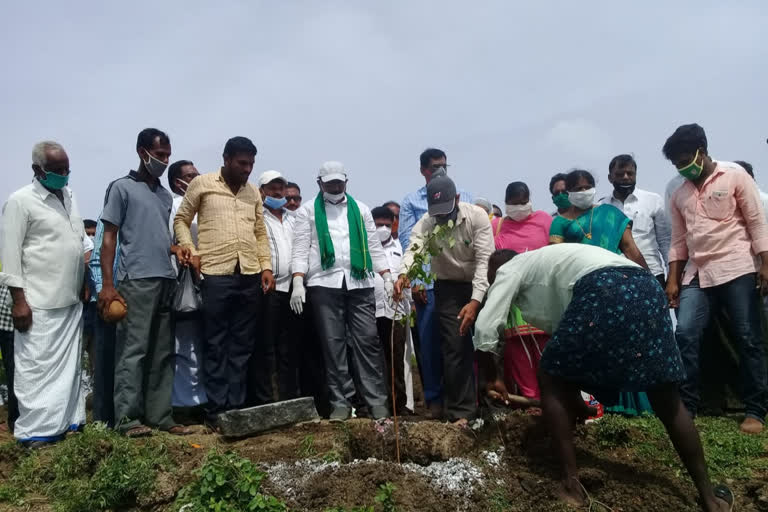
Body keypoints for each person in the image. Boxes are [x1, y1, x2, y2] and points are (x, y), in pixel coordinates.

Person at [474, 244, 734, 512]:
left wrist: (491, 375)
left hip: (603, 287)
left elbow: (485, 326)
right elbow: (571, 353)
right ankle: (709, 497)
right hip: (646, 287)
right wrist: (575, 400)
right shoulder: (552, 264)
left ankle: (571, 486)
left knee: (548, 376)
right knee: (666, 397)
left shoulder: (509, 269)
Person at [664, 123, 768, 434]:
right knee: (685, 333)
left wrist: (765, 264)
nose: (683, 167)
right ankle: (687, 407)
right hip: (697, 272)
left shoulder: (736, 176)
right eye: (677, 164)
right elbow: (678, 241)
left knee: (749, 337)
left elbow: (756, 221)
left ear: (702, 151)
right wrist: (673, 279)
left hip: (737, 266)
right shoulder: (679, 194)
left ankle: (755, 410)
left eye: (685, 159)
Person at [174, 137, 274, 428]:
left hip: (249, 273)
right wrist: (188, 249)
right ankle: (216, 410)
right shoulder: (203, 184)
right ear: (227, 159)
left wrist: (266, 266)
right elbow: (181, 219)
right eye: (242, 163)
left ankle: (237, 408)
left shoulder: (254, 192)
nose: (247, 169)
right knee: (216, 342)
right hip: (215, 273)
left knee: (242, 344)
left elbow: (259, 232)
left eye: (251, 164)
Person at [99, 128, 189, 437]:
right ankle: (128, 419)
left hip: (166, 277)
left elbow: (158, 236)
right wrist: (108, 285)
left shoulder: (165, 195)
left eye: (167, 155)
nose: (164, 161)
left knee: (162, 352)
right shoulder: (121, 188)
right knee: (133, 351)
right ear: (142, 152)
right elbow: (109, 237)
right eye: (160, 154)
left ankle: (160, 416)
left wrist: (175, 248)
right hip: (135, 279)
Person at [0, 141, 89, 447]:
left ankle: (68, 424)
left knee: (69, 371)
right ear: (37, 170)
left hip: (70, 299)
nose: (64, 175)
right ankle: (35, 432)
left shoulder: (69, 195)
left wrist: (86, 278)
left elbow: (78, 241)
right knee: (36, 370)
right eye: (57, 170)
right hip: (37, 302)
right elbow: (10, 256)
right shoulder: (20, 201)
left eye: (67, 169)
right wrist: (20, 301)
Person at [290, 161, 392, 421]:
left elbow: (373, 246)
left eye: (339, 182)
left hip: (359, 281)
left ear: (346, 181)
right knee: (332, 344)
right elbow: (301, 248)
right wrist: (298, 281)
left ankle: (376, 401)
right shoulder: (307, 212)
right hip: (324, 282)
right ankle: (341, 402)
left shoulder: (361, 210)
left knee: (367, 341)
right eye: (330, 182)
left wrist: (388, 276)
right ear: (320, 183)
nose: (335, 186)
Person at [395, 172, 494, 425]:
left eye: (446, 211)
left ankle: (493, 402)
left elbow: (485, 261)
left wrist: (475, 301)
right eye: (436, 212)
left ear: (457, 199)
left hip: (480, 283)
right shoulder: (427, 223)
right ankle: (461, 412)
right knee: (455, 346)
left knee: (489, 341)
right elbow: (413, 250)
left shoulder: (477, 217)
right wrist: (404, 274)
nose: (442, 217)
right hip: (448, 288)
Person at [550, 169, 651, 416]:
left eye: (588, 186)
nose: (584, 192)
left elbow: (630, 248)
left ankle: (632, 404)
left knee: (625, 342)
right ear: (569, 192)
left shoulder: (609, 213)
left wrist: (648, 280)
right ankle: (600, 403)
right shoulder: (559, 222)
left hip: (618, 283)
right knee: (595, 344)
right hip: (584, 289)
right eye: (578, 188)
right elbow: (557, 259)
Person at [399, 148, 472, 418]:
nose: (440, 170)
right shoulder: (411, 201)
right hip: (428, 283)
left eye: (444, 166)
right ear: (423, 171)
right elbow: (410, 242)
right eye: (434, 167)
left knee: (460, 343)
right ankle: (434, 400)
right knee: (429, 345)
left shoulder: (464, 197)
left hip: (457, 281)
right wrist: (416, 280)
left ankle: (462, 401)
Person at [491, 182, 552, 400]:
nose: (518, 207)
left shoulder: (544, 220)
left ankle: (551, 396)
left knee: (544, 345)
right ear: (506, 202)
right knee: (516, 348)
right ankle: (529, 396)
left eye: (523, 202)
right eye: (513, 203)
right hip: (510, 297)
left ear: (530, 200)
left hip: (540, 295)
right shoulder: (496, 226)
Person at [251, 170, 300, 402]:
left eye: (281, 187)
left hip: (292, 290)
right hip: (267, 289)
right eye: (272, 188)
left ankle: (289, 396)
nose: (278, 191)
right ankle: (266, 399)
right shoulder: (256, 217)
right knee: (265, 346)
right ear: (262, 192)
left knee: (289, 347)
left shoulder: (294, 218)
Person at [167, 160, 206, 413]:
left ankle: (202, 399)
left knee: (204, 343)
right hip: (184, 281)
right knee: (185, 345)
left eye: (197, 173)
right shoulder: (173, 206)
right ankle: (184, 404)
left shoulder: (205, 205)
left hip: (209, 280)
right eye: (189, 176)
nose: (195, 178)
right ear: (176, 183)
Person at [599, 154, 671, 287]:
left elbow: (665, 241)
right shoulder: (601, 207)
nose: (626, 177)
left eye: (630, 173)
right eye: (620, 174)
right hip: (614, 276)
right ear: (610, 178)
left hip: (652, 274)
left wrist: (672, 277)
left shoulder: (653, 200)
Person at [371, 206, 411, 414]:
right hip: (372, 312)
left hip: (397, 311)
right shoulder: (365, 248)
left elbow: (407, 277)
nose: (383, 228)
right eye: (379, 225)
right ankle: (377, 403)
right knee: (375, 358)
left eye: (387, 224)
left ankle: (399, 404)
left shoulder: (401, 249)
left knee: (396, 357)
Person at [87, 217, 119, 427]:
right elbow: (96, 259)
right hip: (109, 297)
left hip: (132, 293)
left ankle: (123, 416)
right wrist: (102, 292)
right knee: (104, 360)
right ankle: (102, 419)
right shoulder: (110, 217)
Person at [0, 284, 18, 433]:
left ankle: (15, 420)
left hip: (10, 320)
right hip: (6, 320)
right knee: (11, 370)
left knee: (14, 372)